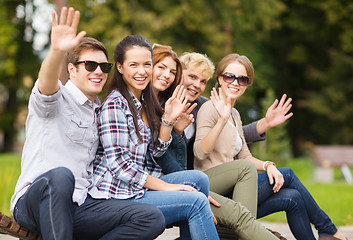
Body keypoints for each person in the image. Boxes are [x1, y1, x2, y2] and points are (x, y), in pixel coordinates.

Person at [10, 8, 165, 240]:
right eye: (90, 65)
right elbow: (46, 83)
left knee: (152, 218)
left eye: (104, 67)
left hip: (80, 204)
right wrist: (56, 51)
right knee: (61, 176)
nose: (99, 72)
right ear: (72, 69)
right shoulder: (57, 99)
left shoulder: (99, 111)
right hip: (36, 201)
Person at [193, 53, 346, 240]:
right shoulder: (209, 109)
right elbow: (200, 152)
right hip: (215, 191)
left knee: (293, 198)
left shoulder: (235, 114)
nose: (235, 83)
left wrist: (267, 165)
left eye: (242, 79)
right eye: (229, 76)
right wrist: (221, 120)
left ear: (247, 84)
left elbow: (245, 155)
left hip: (237, 190)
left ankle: (320, 235)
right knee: (287, 173)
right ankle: (328, 229)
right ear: (219, 78)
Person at [91, 35, 219, 240]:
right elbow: (119, 164)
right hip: (116, 195)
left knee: (199, 179)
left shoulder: (142, 101)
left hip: (134, 188)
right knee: (195, 201)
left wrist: (168, 120)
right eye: (134, 65)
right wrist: (169, 187)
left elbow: (154, 152)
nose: (142, 71)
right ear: (120, 67)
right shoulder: (116, 104)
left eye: (147, 65)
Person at [154, 50, 282, 240]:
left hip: (193, 180)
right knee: (244, 205)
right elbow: (163, 154)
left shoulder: (203, 105)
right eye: (191, 77)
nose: (197, 85)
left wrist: (266, 156)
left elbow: (233, 140)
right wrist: (175, 129)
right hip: (176, 182)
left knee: (288, 194)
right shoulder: (163, 105)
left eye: (203, 81)